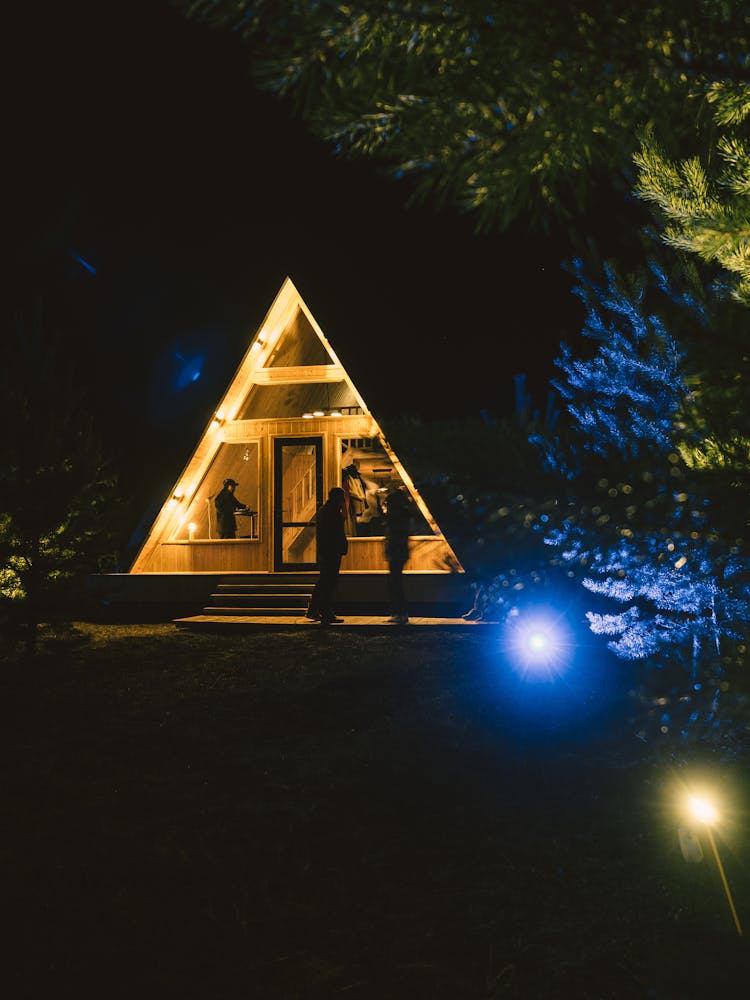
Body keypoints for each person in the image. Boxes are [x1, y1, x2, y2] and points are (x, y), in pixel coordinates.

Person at [306, 486, 348, 625]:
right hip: (331, 552)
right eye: (342, 498)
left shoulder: (326, 511)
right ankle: (325, 611)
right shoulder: (332, 513)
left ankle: (314, 609)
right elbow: (335, 533)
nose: (343, 500)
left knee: (324, 581)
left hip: (327, 551)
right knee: (329, 581)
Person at [384, 487, 411, 624]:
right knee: (395, 582)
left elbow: (395, 535)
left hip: (397, 551)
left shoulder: (397, 517)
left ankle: (400, 612)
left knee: (395, 582)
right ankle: (399, 612)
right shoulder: (403, 515)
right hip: (398, 551)